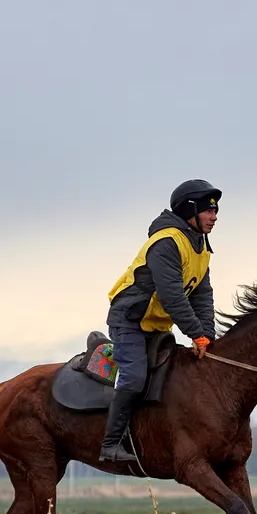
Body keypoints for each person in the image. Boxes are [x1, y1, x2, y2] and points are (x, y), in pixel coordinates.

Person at [99, 179, 220, 464]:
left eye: (216, 212)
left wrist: (208, 336)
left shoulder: (200, 246)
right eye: (208, 211)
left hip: (156, 325)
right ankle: (110, 444)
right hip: (129, 320)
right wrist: (195, 333)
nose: (214, 217)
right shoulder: (166, 243)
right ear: (190, 210)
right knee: (136, 375)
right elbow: (173, 297)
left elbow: (203, 296)